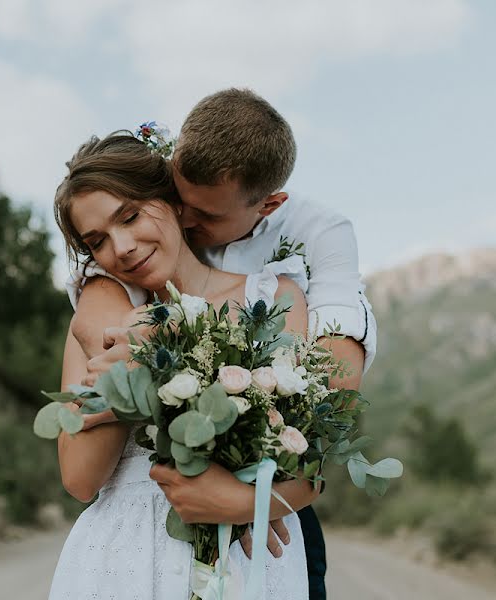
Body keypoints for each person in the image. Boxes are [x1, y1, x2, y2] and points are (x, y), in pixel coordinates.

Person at [67, 89, 378, 600]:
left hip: (257, 529)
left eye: (202, 214)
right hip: (124, 548)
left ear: (268, 204)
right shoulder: (116, 281)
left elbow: (329, 401)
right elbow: (81, 465)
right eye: (179, 202)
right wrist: (126, 357)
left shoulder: (312, 243)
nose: (188, 221)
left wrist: (248, 500)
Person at [48, 131, 317, 599]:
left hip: (242, 553)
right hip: (120, 557)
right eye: (98, 241)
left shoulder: (273, 299)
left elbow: (309, 458)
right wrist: (130, 366)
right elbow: (80, 479)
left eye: (130, 216)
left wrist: (158, 365)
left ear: (173, 200)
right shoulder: (100, 324)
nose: (123, 246)